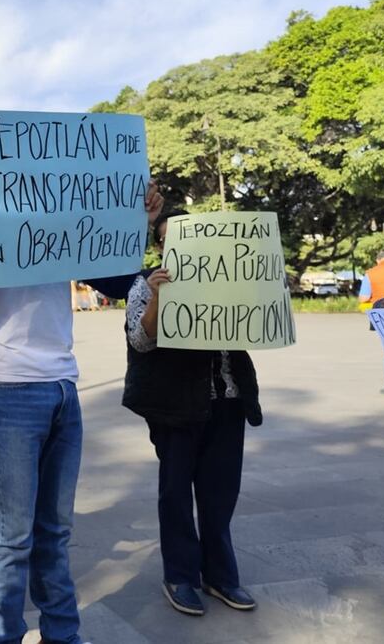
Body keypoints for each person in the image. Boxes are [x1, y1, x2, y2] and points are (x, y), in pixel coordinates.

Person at [0, 163, 163, 644]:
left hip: (63, 384)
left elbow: (117, 281)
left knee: (55, 530)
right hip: (8, 387)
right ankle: (5, 637)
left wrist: (137, 225)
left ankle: (61, 633)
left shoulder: (61, 219)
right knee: (13, 534)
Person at [123, 210, 261, 617]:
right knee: (176, 492)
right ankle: (180, 576)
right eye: (169, 239)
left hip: (227, 400)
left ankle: (220, 576)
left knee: (220, 493)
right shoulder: (145, 284)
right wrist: (158, 298)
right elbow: (141, 340)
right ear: (160, 246)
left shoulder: (227, 277)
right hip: (175, 405)